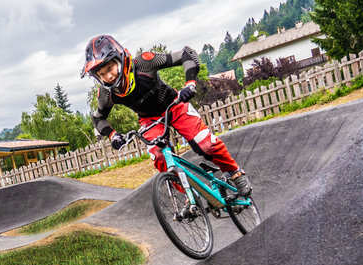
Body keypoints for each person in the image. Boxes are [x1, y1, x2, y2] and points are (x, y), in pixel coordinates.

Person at [80, 34, 252, 196]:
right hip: (150, 120)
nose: (108, 76)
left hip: (174, 105)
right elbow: (98, 117)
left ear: (121, 58)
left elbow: (187, 54)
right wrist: (113, 135)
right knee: (159, 155)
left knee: (204, 143)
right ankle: (189, 195)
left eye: (110, 68)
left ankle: (235, 173)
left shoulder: (144, 63)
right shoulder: (106, 94)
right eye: (101, 74)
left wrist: (190, 84)